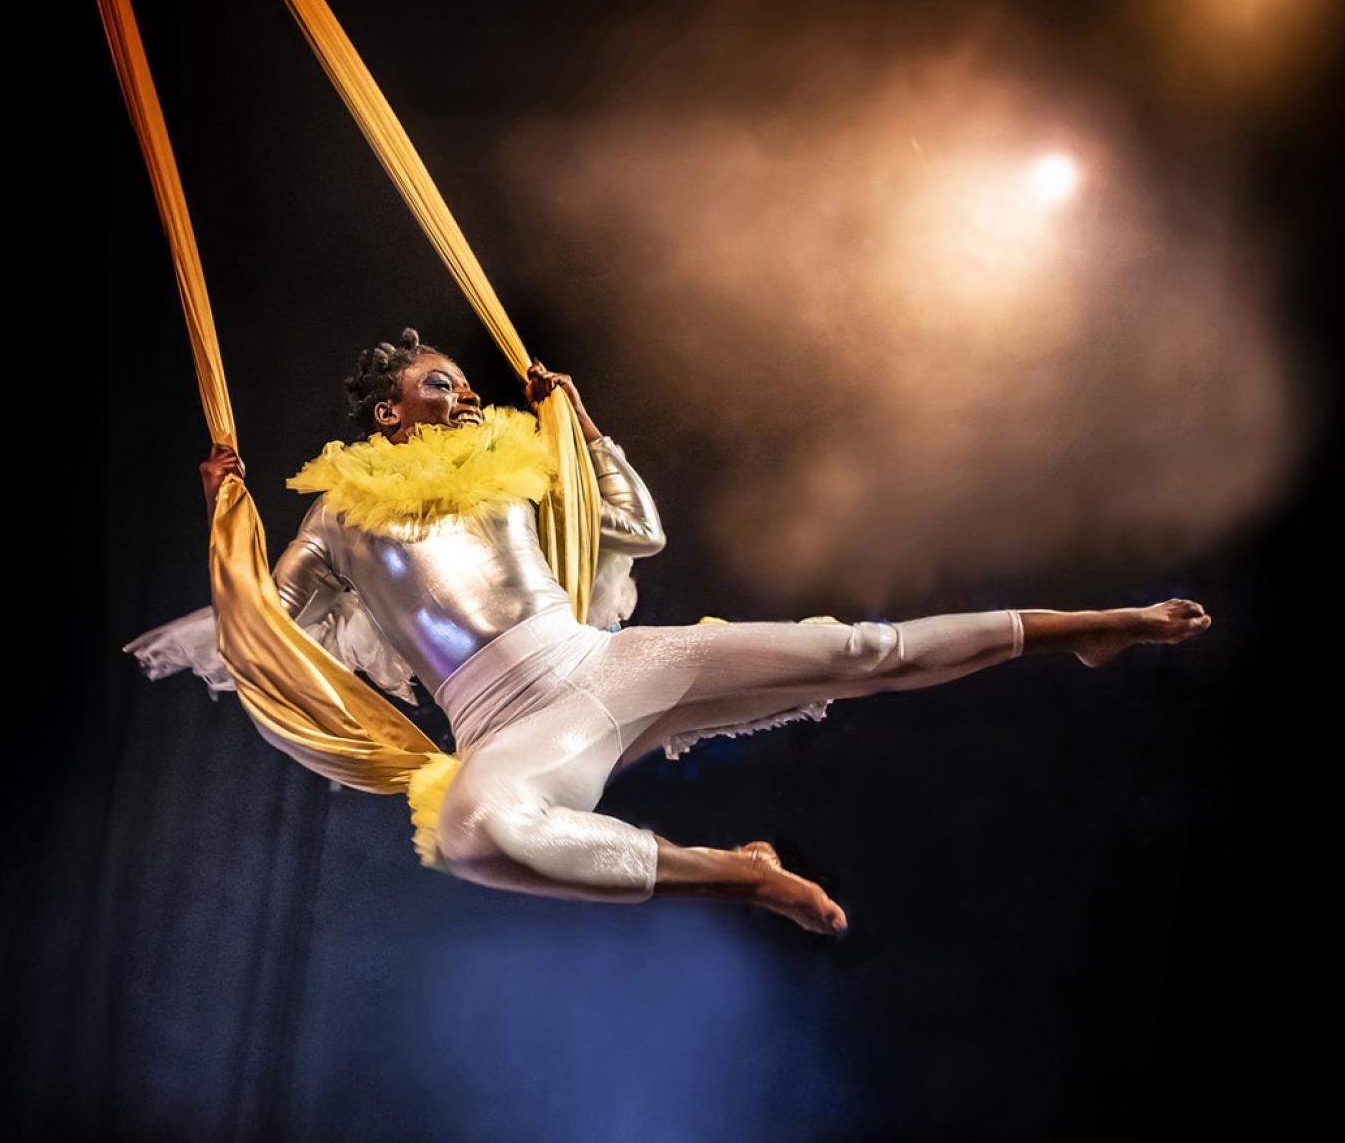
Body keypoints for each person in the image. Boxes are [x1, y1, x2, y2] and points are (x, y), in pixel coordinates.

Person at [189, 328, 1210, 934]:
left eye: (461, 379)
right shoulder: (338, 516)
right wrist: (227, 519)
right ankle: (735, 870)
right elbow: (263, 630)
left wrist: (583, 432)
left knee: (859, 652)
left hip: (600, 663)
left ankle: (1094, 624)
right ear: (389, 420)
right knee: (472, 835)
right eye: (437, 384)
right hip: (506, 730)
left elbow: (635, 529)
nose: (462, 393)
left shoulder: (513, 466)